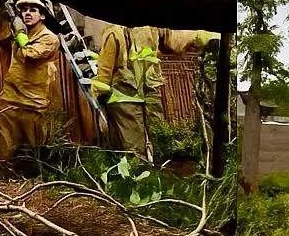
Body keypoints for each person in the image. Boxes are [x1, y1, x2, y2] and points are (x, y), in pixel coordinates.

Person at [91, 24, 218, 161]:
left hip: (150, 92)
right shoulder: (114, 32)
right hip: (125, 98)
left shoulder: (152, 27)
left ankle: (155, 172)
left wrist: (200, 36)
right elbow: (105, 70)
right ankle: (137, 176)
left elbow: (174, 41)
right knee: (134, 148)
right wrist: (100, 93)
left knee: (158, 141)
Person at [0, 0, 61, 160]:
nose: (27, 13)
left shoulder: (49, 39)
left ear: (42, 15)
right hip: (10, 100)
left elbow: (29, 54)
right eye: (24, 10)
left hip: (34, 104)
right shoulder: (18, 32)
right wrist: (0, 12)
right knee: (5, 150)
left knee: (35, 153)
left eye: (32, 10)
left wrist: (19, 33)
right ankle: (5, 178)